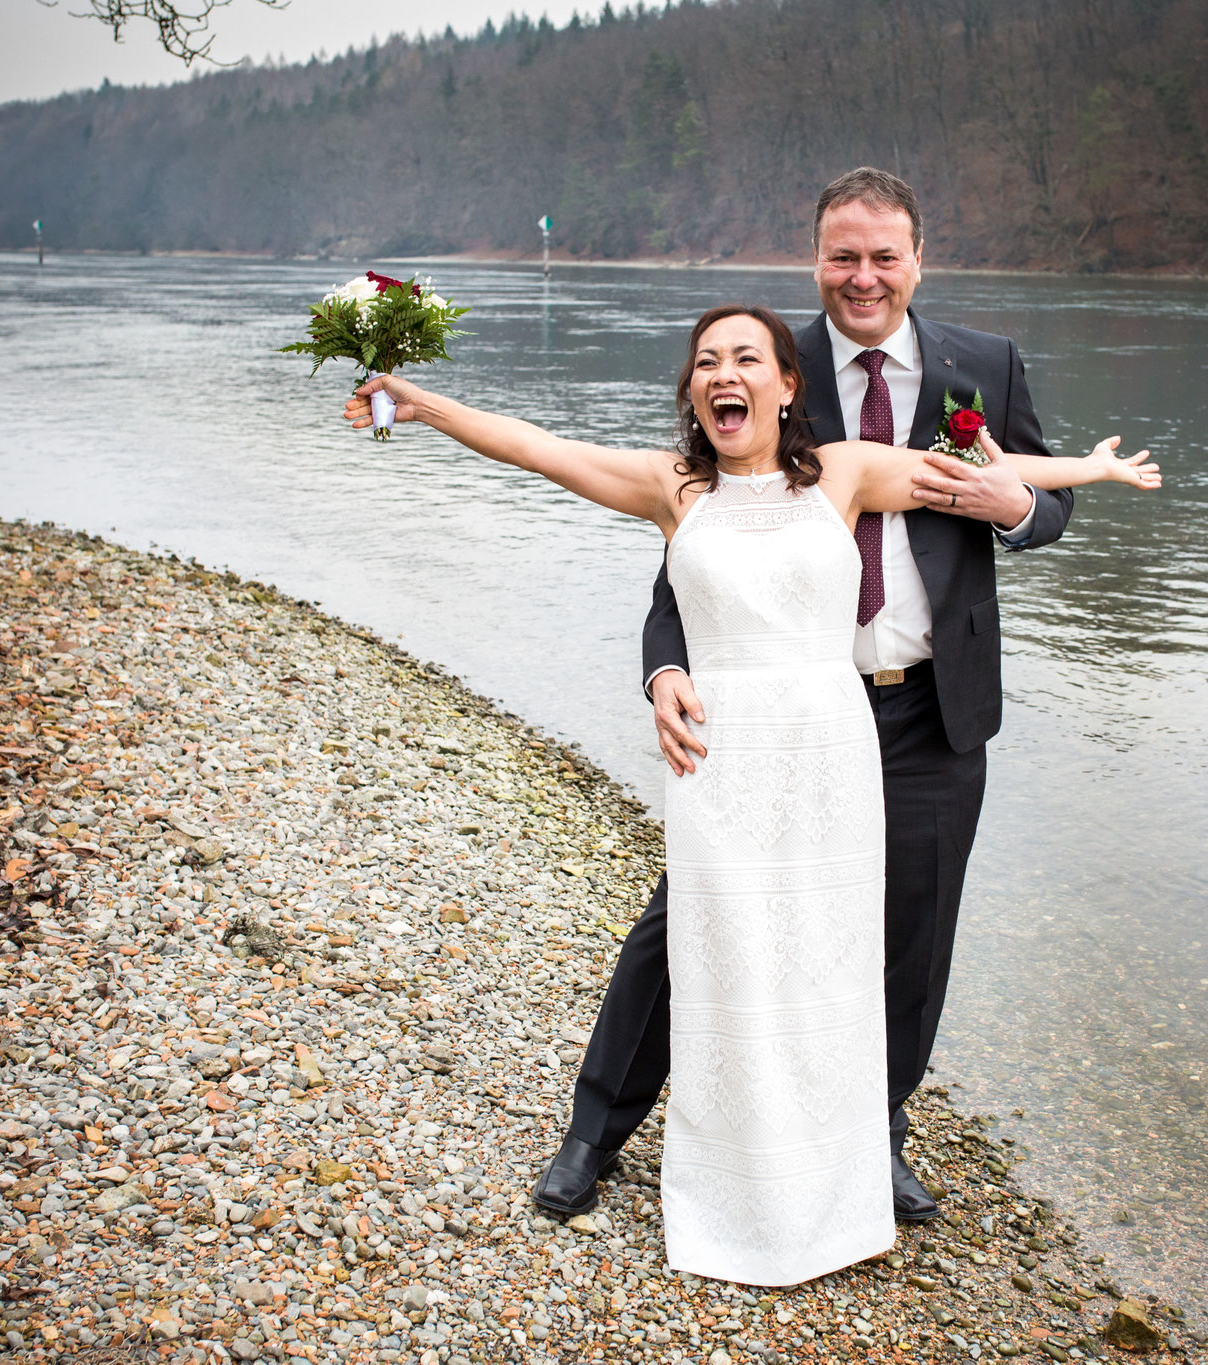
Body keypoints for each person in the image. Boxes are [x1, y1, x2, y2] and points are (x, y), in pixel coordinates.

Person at [346, 303, 1154, 1285]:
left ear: (783, 386)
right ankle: (691, 1161)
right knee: (713, 945)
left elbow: (978, 475)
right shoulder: (669, 485)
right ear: (695, 390)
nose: (723, 375)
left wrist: (1090, 472)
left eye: (745, 360)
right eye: (705, 362)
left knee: (828, 956)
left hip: (831, 752)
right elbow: (536, 448)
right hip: (721, 762)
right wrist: (419, 403)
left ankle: (831, 1171)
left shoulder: (848, 471)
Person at [537, 168, 1133, 1228]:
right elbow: (688, 554)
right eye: (841, 256)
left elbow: (1037, 496)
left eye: (882, 255)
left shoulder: (980, 366)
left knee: (910, 931)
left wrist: (1014, 511)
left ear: (917, 260)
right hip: (772, 714)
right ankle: (596, 1128)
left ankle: (872, 1138)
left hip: (926, 710)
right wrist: (665, 671)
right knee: (687, 920)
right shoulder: (764, 360)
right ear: (814, 261)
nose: (862, 277)